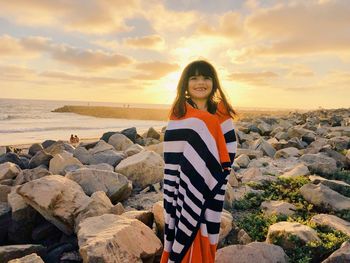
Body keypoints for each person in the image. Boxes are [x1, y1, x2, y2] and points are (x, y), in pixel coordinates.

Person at [161, 60, 238, 263]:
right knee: (181, 229)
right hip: (180, 185)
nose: (200, 83)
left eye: (205, 77)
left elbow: (228, 150)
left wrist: (214, 176)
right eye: (194, 78)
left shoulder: (221, 114)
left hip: (212, 182)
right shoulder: (178, 113)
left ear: (214, 82)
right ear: (185, 83)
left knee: (205, 230)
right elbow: (171, 153)